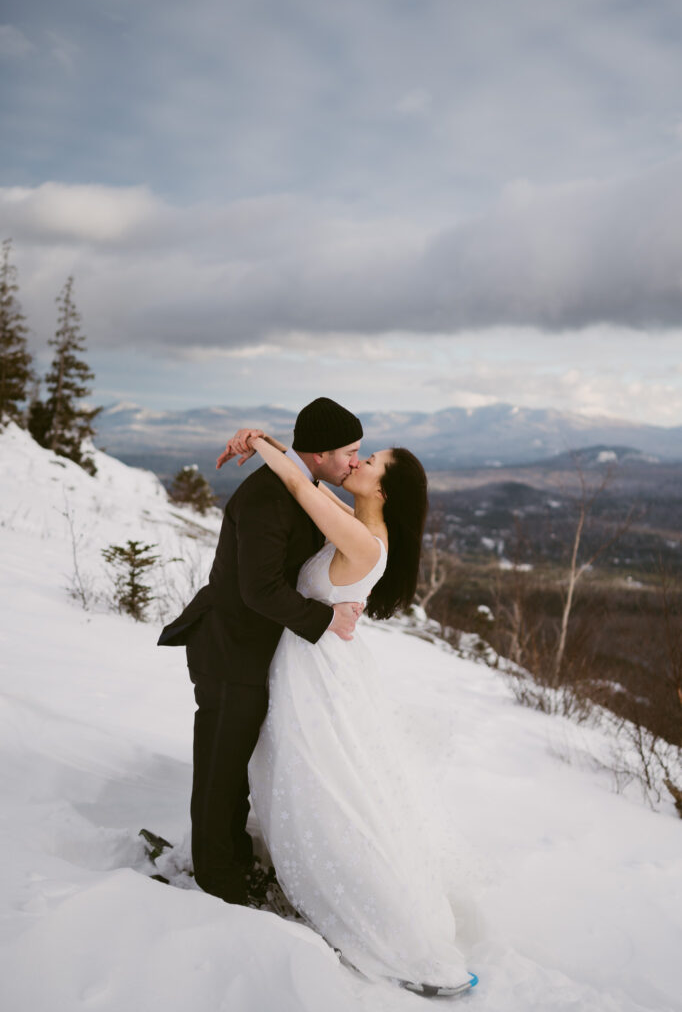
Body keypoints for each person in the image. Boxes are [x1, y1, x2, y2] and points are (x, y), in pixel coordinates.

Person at [221, 427, 477, 997]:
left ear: (385, 491)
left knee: (328, 784)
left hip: (317, 673)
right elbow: (304, 488)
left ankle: (388, 924)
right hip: (314, 660)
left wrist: (256, 438)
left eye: (373, 462)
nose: (359, 461)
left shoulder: (365, 537)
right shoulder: (358, 520)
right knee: (320, 778)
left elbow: (295, 479)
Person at [157, 398, 365, 907]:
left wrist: (259, 438)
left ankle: (230, 861)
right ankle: (218, 881)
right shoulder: (266, 500)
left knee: (234, 770)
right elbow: (259, 590)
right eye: (349, 452)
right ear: (318, 454)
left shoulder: (300, 483)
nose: (356, 462)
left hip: (254, 652)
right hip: (229, 649)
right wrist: (326, 619)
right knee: (220, 773)